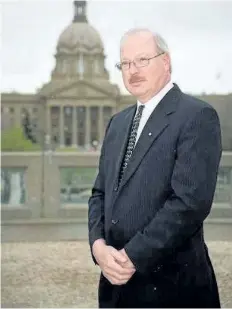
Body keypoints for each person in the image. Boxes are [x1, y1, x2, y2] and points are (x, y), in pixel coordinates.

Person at [88, 28, 222, 308]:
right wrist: (98, 246)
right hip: (115, 289)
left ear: (166, 61)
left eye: (142, 60)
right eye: (125, 63)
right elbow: (99, 193)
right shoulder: (117, 123)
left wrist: (132, 256)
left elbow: (189, 204)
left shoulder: (197, 117)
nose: (132, 70)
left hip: (172, 288)